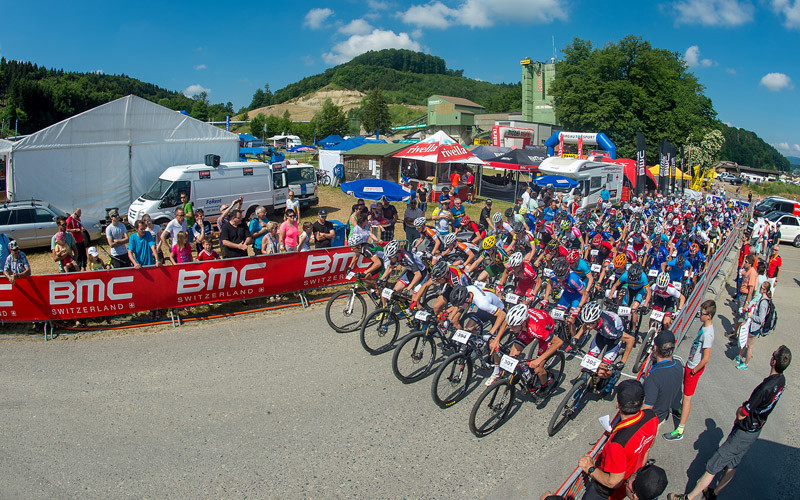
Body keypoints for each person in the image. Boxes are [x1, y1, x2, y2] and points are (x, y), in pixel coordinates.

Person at [667, 346, 790, 500]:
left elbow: (743, 413)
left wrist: (740, 411)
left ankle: (688, 497)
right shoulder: (781, 381)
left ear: (773, 361)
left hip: (744, 432)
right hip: (755, 430)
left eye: (773, 353)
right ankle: (714, 493)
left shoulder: (766, 387)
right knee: (733, 464)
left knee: (713, 465)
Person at [578, 379, 658, 500]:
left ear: (617, 404)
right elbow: (648, 447)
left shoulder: (618, 444)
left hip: (607, 493)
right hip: (630, 481)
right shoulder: (652, 417)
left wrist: (590, 468)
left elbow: (613, 481)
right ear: (643, 402)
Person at [664, 300, 716, 441]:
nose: (700, 314)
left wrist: (693, 371)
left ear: (709, 315)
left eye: (702, 313)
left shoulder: (708, 334)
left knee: (687, 398)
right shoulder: (704, 327)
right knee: (684, 394)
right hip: (691, 365)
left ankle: (680, 429)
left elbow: (706, 358)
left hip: (694, 368)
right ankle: (678, 411)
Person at [642, 330, 684, 427]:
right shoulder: (678, 366)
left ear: (655, 348)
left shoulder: (654, 377)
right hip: (662, 416)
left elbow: (647, 407)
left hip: (649, 422)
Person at [736, 281, 773, 370]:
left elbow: (761, 319)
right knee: (745, 341)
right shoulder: (762, 298)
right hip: (752, 325)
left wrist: (751, 316)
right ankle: (740, 356)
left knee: (750, 346)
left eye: (762, 288)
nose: (760, 288)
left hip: (755, 327)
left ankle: (746, 363)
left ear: (764, 290)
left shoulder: (764, 302)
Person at [729, 254, 757, 340]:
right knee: (738, 315)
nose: (744, 263)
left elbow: (751, 289)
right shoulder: (747, 271)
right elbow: (744, 273)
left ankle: (739, 337)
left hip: (745, 296)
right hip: (741, 295)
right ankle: (735, 332)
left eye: (746, 262)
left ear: (750, 264)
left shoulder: (752, 273)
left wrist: (746, 303)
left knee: (742, 317)